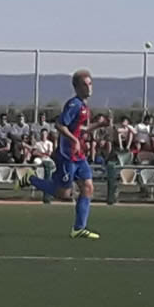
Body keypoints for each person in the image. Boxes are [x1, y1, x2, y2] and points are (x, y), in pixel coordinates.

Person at [18, 70, 108, 239]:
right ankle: (30, 178)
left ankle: (79, 228)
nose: (89, 87)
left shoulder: (84, 107)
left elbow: (81, 129)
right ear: (76, 87)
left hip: (78, 155)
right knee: (64, 194)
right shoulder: (73, 104)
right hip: (67, 156)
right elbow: (60, 125)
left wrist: (98, 124)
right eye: (85, 84)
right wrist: (73, 140)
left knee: (88, 188)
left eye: (90, 83)